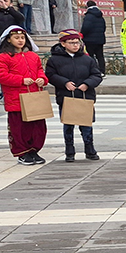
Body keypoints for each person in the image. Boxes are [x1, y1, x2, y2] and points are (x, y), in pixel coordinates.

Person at [45, 29, 103, 162]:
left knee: (86, 125)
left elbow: (96, 75)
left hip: (84, 96)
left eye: (77, 42)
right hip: (66, 97)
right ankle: (69, 151)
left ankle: (90, 149)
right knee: (68, 125)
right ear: (63, 44)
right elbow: (50, 75)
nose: (75, 45)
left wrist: (87, 84)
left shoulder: (87, 59)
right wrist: (64, 82)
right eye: (71, 43)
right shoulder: (54, 60)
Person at [0, 26, 47, 165]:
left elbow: (40, 70)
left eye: (22, 37)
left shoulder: (33, 56)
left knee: (38, 127)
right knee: (19, 128)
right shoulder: (3, 58)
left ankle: (34, 150)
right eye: (16, 38)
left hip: (34, 96)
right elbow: (0, 75)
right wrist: (21, 80)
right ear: (9, 40)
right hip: (16, 98)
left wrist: (42, 79)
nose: (20, 40)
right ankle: (22, 152)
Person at [80, 0, 107, 72]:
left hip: (90, 40)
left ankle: (95, 70)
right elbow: (104, 27)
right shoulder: (100, 16)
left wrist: (82, 35)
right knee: (100, 56)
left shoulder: (88, 16)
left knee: (91, 56)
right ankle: (102, 71)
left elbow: (86, 28)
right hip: (100, 40)